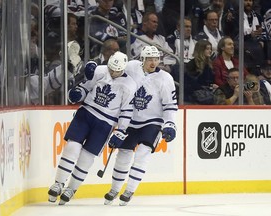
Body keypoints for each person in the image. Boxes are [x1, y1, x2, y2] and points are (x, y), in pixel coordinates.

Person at [47, 51, 137, 205]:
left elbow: (127, 111)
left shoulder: (130, 85)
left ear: (123, 69)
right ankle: (59, 182)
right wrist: (77, 94)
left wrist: (121, 131)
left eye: (117, 71)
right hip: (86, 113)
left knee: (86, 157)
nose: (113, 73)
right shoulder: (101, 71)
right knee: (72, 147)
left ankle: (72, 188)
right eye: (111, 69)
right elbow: (85, 87)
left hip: (105, 123)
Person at [104, 46, 178, 206]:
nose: (153, 62)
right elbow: (114, 70)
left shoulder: (166, 78)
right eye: (150, 59)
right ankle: (114, 188)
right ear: (142, 59)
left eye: (156, 59)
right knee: (123, 153)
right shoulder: (131, 67)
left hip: (152, 122)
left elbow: (170, 105)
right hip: (130, 120)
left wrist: (170, 124)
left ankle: (129, 189)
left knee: (142, 153)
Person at [184, 40, 218, 104]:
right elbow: (192, 84)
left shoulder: (209, 64)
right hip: (195, 94)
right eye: (207, 49)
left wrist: (212, 86)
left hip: (207, 92)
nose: (210, 51)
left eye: (210, 49)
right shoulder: (192, 64)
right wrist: (210, 86)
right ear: (201, 50)